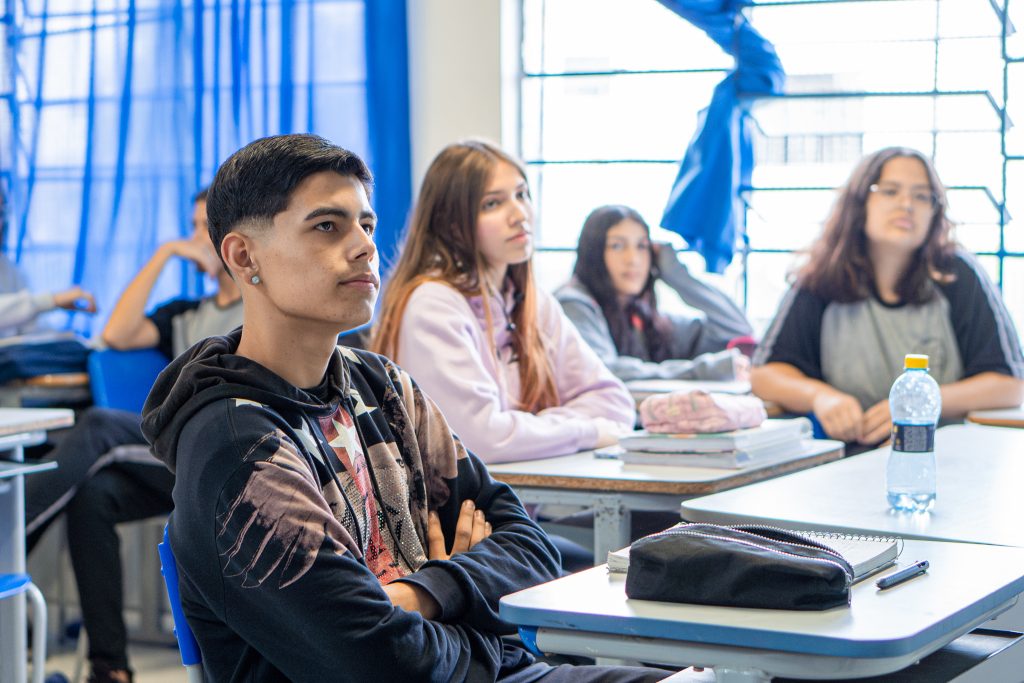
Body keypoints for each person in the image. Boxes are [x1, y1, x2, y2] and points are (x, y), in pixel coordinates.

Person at [140, 133, 669, 682]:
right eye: (327, 226)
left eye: (365, 225)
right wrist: (480, 616)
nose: (365, 246)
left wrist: (425, 590)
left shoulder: (382, 385)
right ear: (244, 256)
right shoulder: (239, 446)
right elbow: (380, 661)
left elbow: (531, 549)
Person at [24, 189, 243, 683]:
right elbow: (118, 334)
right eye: (191, 226)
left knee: (100, 423)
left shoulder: (263, 306)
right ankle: (110, 666)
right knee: (94, 496)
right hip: (179, 464)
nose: (196, 238)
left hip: (227, 459)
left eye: (204, 226)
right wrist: (165, 252)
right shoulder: (186, 314)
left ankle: (7, 532)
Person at [372, 140, 635, 465]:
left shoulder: (531, 302)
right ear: (452, 224)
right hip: (459, 513)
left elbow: (615, 403)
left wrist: (533, 432)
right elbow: (482, 439)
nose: (519, 214)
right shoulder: (433, 304)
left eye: (522, 195)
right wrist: (587, 430)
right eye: (493, 204)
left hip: (528, 500)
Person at [751, 147, 1024, 447]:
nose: (907, 205)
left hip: (938, 456)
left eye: (922, 196)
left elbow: (1009, 385)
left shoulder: (958, 273)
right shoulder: (822, 276)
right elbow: (765, 374)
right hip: (846, 458)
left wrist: (918, 404)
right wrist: (821, 397)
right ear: (859, 202)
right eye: (890, 191)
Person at [556, 204, 752, 382]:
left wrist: (678, 275)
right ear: (593, 252)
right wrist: (699, 371)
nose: (633, 259)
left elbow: (737, 329)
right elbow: (602, 372)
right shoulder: (572, 304)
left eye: (642, 246)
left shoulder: (642, 318)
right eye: (617, 246)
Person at [0, 187, 97, 334]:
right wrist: (51, 300)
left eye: (1, 213)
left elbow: (29, 328)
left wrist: (69, 342)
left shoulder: (6, 266)